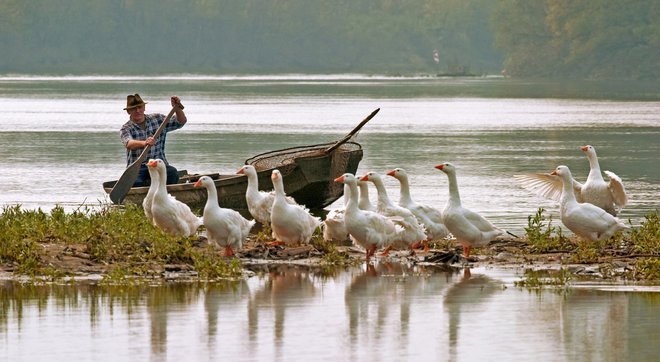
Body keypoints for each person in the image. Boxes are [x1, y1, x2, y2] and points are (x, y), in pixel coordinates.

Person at [120, 93, 187, 187]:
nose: (138, 110)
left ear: (144, 107)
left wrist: (177, 108)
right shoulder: (126, 128)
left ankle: (165, 196)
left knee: (173, 174)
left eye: (139, 107)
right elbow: (129, 143)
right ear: (128, 112)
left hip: (158, 164)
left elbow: (180, 122)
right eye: (134, 109)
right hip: (139, 167)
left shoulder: (157, 119)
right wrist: (144, 143)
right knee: (135, 183)